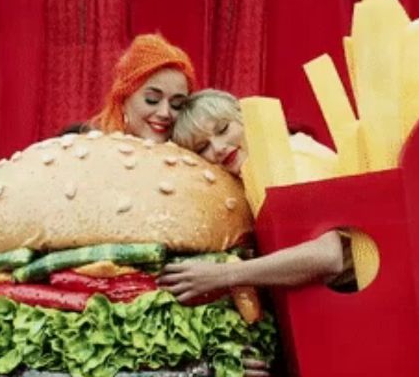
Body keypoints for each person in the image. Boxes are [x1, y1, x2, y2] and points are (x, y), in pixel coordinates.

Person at [157, 89, 351, 298]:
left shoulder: (286, 160)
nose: (219, 147)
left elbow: (329, 257)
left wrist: (220, 275)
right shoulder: (263, 164)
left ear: (243, 116)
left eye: (223, 129)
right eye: (203, 147)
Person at [89, 33, 196, 142]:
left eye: (177, 105)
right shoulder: (87, 151)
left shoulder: (194, 156)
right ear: (123, 99)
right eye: (152, 99)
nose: (165, 113)